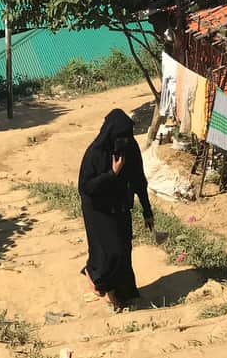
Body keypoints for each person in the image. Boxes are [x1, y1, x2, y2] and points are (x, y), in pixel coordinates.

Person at [78, 109, 154, 310]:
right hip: (97, 208)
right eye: (120, 136)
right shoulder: (95, 153)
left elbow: (139, 181)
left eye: (127, 136)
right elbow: (86, 187)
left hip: (119, 205)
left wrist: (147, 211)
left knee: (124, 249)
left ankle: (123, 291)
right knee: (109, 252)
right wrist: (112, 173)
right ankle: (106, 287)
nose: (124, 141)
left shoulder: (130, 149)